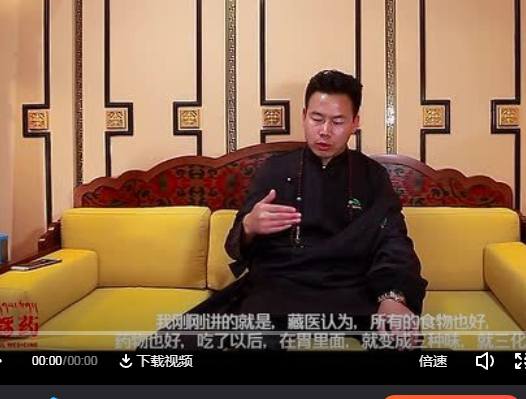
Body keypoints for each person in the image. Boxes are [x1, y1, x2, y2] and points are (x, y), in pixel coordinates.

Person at [147, 69, 427, 351]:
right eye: (316, 118)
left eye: (338, 121)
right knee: (172, 347)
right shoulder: (274, 170)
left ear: (355, 122)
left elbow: (394, 240)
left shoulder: (372, 176)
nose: (325, 131)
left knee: (397, 339)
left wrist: (393, 296)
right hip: (280, 285)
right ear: (304, 115)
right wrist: (249, 227)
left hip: (349, 287)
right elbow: (236, 243)